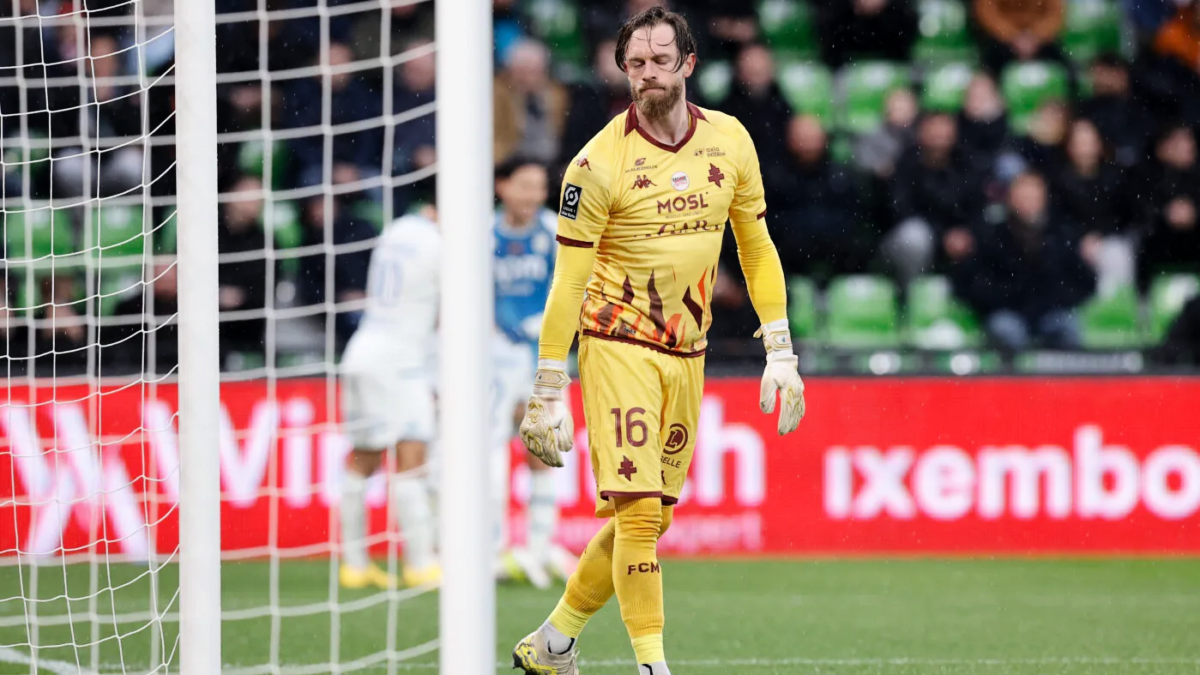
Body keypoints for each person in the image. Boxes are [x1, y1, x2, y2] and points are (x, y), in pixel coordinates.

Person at [510, 7, 806, 675]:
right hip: (616, 342)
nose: (647, 74)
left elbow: (755, 247)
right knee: (639, 510)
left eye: (659, 61)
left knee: (649, 517)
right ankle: (653, 665)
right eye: (635, 64)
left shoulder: (729, 141)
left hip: (687, 349)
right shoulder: (594, 164)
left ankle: (553, 643)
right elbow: (567, 283)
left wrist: (779, 349)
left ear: (688, 64)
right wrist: (549, 386)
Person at [337, 204, 441, 591]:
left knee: (362, 459)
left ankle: (355, 565)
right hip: (401, 362)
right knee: (411, 460)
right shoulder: (442, 245)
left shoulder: (397, 230)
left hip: (361, 349)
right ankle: (420, 563)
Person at [490, 157, 578, 588]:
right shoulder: (482, 235)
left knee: (544, 450)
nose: (532, 195)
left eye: (539, 187)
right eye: (523, 185)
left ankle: (541, 549)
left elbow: (571, 290)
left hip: (542, 360)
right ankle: (493, 550)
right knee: (488, 454)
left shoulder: (554, 233)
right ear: (502, 186)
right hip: (490, 359)